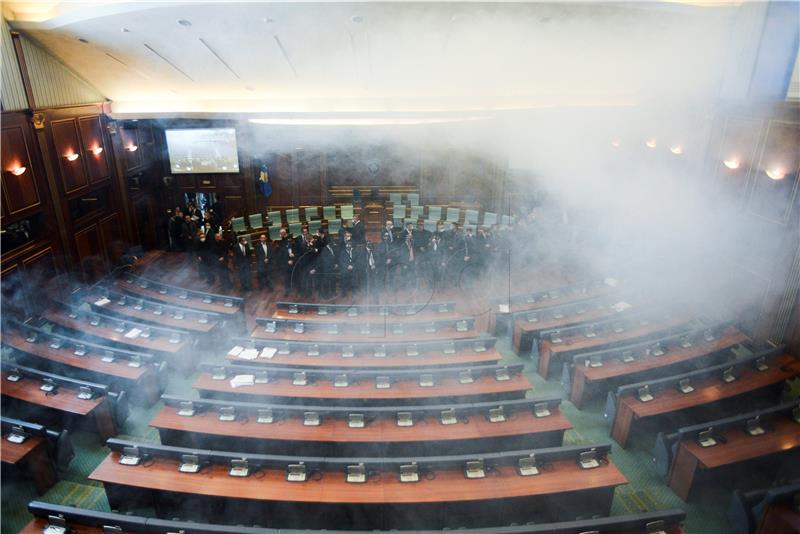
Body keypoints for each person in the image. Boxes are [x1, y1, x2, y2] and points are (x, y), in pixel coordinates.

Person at [275, 228, 296, 296]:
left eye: (280, 233)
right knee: (287, 276)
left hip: (290, 261)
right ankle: (288, 289)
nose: (280, 235)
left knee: (290, 276)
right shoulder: (283, 240)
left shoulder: (289, 240)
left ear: (284, 233)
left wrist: (291, 260)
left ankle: (290, 290)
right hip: (285, 261)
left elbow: (292, 250)